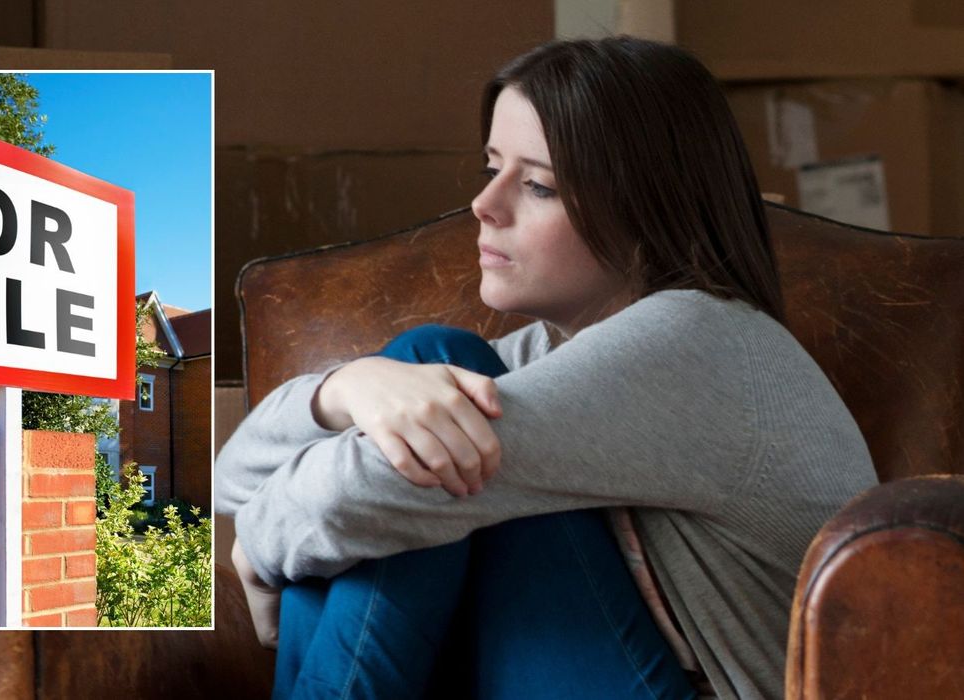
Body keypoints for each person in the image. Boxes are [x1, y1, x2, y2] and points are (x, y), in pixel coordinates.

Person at [216, 36, 877, 700]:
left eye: (538, 185)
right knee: (428, 387)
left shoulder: (696, 343)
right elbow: (231, 481)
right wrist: (347, 388)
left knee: (434, 371)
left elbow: (345, 499)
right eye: (491, 168)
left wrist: (261, 543)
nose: (484, 204)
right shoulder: (548, 355)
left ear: (648, 208)